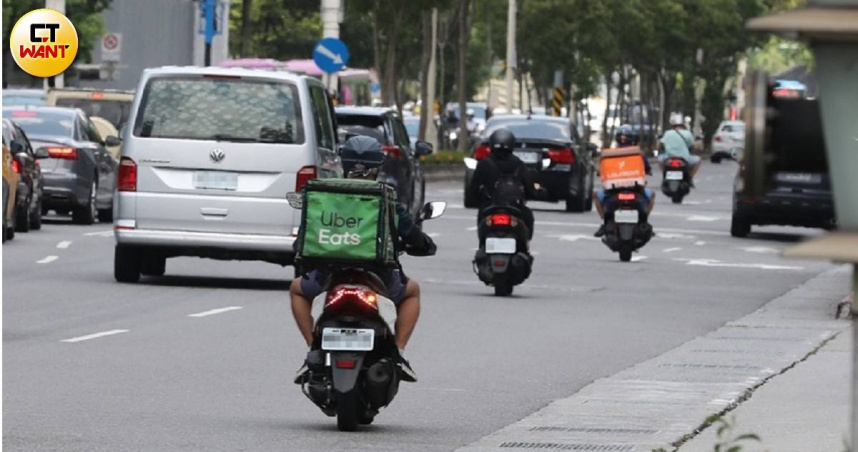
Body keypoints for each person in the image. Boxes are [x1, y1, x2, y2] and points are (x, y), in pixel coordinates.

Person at [291, 135, 436, 384]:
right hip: (379, 278)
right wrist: (424, 244)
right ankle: (398, 353)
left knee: (297, 290)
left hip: (329, 276)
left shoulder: (325, 195)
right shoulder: (386, 198)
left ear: (344, 165)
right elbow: (412, 235)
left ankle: (312, 350)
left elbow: (303, 239)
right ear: (378, 167)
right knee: (412, 292)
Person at [467, 129, 537, 240]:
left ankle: (483, 245)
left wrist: (474, 200)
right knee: (527, 216)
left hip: (489, 208)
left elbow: (472, 190)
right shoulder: (519, 164)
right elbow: (530, 190)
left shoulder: (484, 164)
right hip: (515, 209)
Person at [593, 147, 655, 237]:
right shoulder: (638, 154)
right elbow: (646, 168)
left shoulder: (611, 154)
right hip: (635, 189)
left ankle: (605, 223)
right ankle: (644, 222)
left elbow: (601, 171)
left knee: (596, 196)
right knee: (652, 195)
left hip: (614, 190)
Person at [659, 113, 701, 184]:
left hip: (669, 157)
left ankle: (665, 175)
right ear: (682, 124)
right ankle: (690, 177)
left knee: (659, 159)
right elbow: (693, 146)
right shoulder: (687, 133)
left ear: (672, 125)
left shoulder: (667, 133)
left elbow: (661, 144)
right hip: (684, 158)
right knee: (698, 160)